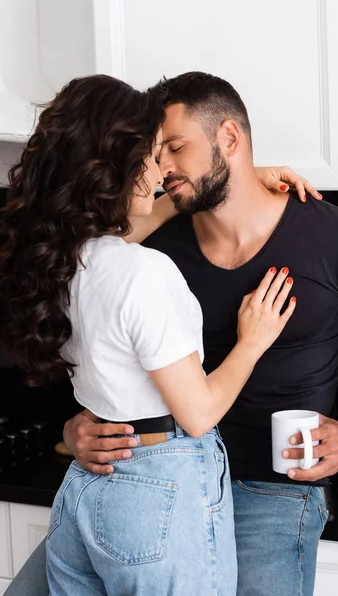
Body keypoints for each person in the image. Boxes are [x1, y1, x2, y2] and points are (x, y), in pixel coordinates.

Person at [0, 73, 315, 596]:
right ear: (119, 164)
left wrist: (241, 177)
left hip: (88, 486)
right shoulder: (143, 271)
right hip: (160, 488)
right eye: (152, 155)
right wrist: (253, 340)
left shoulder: (61, 261)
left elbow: (131, 221)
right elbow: (198, 413)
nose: (161, 170)